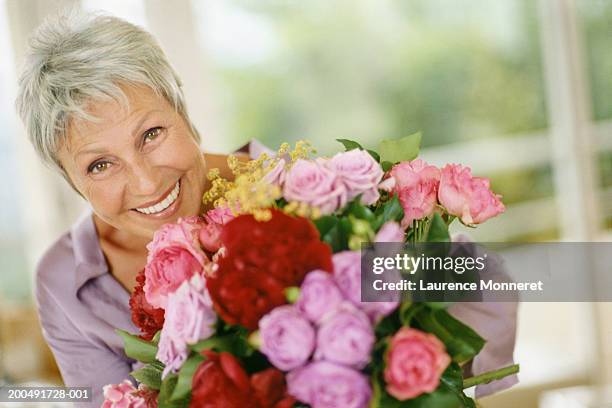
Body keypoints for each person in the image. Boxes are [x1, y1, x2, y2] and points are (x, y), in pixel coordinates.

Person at [16, 11, 517, 407]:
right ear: (70, 181)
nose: (146, 183)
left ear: (182, 112)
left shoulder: (305, 194)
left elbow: (484, 281)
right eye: (100, 166)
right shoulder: (66, 282)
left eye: (151, 134)